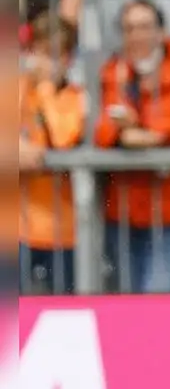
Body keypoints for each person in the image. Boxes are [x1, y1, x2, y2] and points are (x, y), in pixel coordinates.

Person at [94, 0, 170, 293]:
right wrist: (124, 135)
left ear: (161, 31)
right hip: (122, 208)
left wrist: (148, 131)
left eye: (145, 27)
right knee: (126, 298)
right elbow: (100, 127)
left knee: (159, 296)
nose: (137, 35)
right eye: (129, 28)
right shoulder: (112, 71)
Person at [18, 15, 85, 294]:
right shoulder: (18, 89)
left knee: (62, 308)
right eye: (40, 52)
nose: (44, 62)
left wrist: (45, 90)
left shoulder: (76, 97)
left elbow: (62, 140)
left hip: (62, 231)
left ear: (68, 58)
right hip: (16, 229)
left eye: (53, 54)